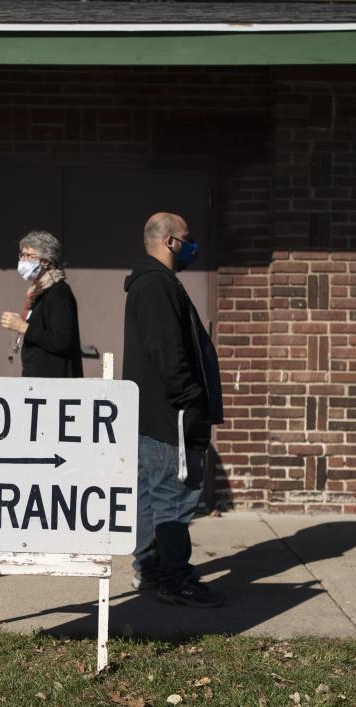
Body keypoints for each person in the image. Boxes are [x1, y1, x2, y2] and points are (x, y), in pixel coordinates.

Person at [123, 212, 225, 608]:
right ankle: (174, 578)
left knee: (152, 496)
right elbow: (167, 351)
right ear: (169, 241)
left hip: (158, 415)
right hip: (171, 416)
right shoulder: (156, 286)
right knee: (172, 497)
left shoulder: (153, 284)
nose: (192, 245)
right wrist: (190, 398)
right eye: (187, 238)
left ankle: (151, 570)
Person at [0, 230, 83, 378]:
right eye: (22, 255)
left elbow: (63, 341)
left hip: (54, 385)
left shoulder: (58, 292)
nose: (23, 260)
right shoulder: (39, 292)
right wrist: (23, 322)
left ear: (45, 260)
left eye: (29, 256)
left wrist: (23, 327)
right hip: (38, 382)